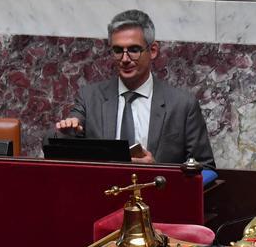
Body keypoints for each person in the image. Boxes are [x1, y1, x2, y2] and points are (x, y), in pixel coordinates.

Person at [55, 9, 215, 168]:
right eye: (118, 50)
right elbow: (62, 142)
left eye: (133, 50)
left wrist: (157, 172)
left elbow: (206, 169)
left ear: (152, 51)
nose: (125, 59)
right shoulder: (90, 98)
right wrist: (65, 132)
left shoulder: (182, 105)